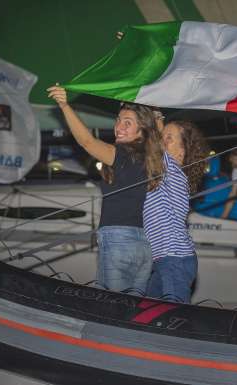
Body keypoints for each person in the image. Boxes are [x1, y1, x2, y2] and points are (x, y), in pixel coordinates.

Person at [47, 85, 163, 294]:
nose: (119, 126)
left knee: (112, 307)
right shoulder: (153, 159)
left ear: (141, 132)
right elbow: (158, 133)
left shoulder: (122, 154)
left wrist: (64, 105)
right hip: (145, 245)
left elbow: (87, 142)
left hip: (119, 240)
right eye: (118, 120)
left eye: (128, 123)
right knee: (131, 310)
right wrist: (155, 113)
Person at [144, 120, 208, 303]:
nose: (162, 140)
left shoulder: (172, 169)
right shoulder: (165, 173)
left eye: (169, 138)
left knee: (176, 315)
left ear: (182, 152)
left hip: (174, 257)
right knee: (150, 309)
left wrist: (155, 119)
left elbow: (150, 144)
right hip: (164, 258)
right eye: (163, 136)